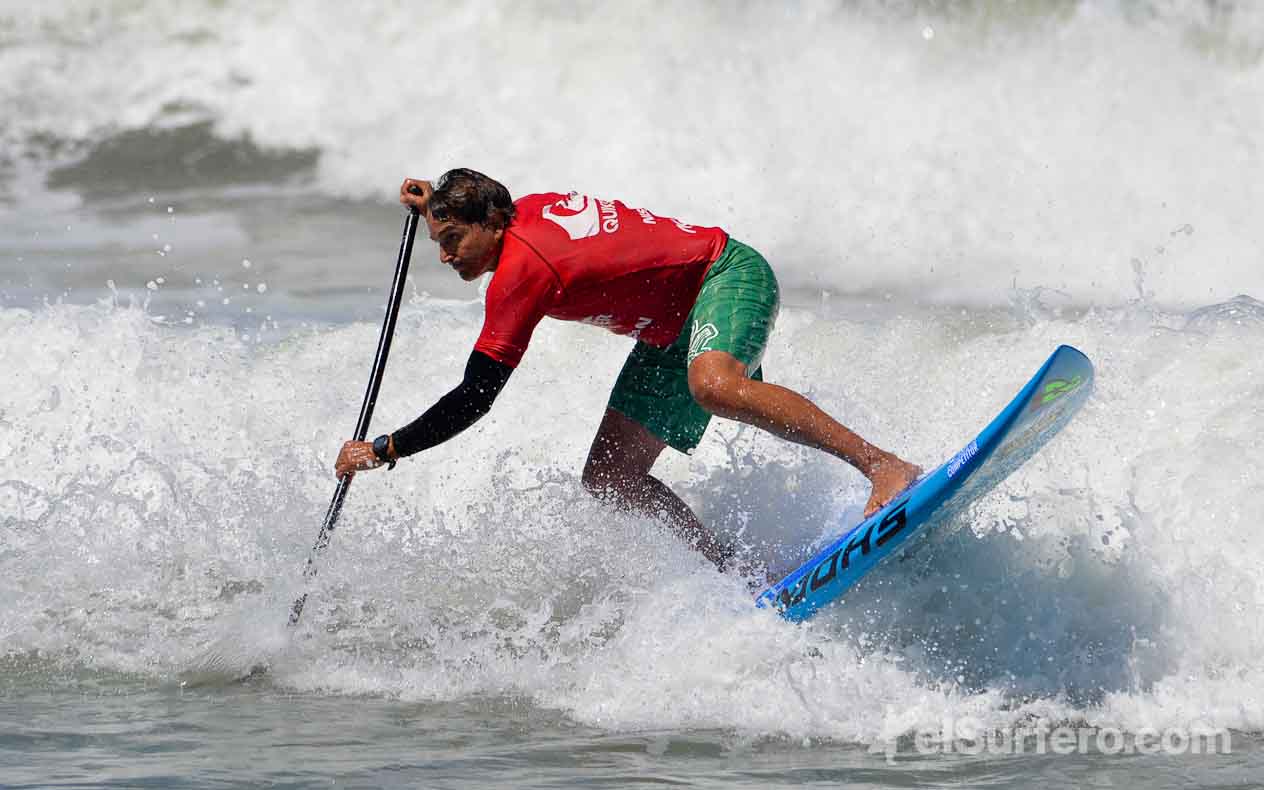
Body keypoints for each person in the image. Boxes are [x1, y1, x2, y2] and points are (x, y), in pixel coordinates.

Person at [336, 169, 921, 571]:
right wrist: (432, 200)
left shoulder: (520, 274)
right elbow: (472, 197)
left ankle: (883, 466)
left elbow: (476, 396)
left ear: (491, 223)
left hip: (725, 275)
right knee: (611, 476)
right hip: (672, 325)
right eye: (438, 240)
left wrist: (387, 448)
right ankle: (730, 574)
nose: (445, 256)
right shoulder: (520, 210)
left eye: (454, 239)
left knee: (714, 386)